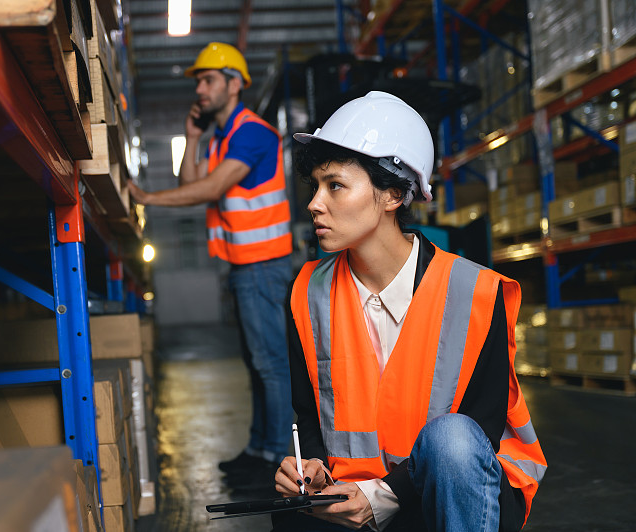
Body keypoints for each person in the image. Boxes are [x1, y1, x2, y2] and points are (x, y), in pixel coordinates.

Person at [272, 91, 547, 531]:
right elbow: (309, 413)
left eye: (335, 186)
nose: (314, 204)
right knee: (290, 520)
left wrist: (381, 495)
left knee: (451, 440)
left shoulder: (477, 292)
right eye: (315, 186)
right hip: (352, 494)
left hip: (453, 493)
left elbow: (480, 429)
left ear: (393, 195)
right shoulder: (308, 292)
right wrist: (311, 467)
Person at [127, 42, 295, 487]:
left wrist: (145, 197)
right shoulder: (221, 137)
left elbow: (207, 190)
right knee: (256, 362)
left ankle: (277, 457)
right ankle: (259, 448)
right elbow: (191, 181)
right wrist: (195, 137)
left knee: (271, 365)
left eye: (207, 80)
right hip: (244, 266)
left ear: (234, 84)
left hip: (263, 265)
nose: (199, 89)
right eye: (198, 82)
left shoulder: (252, 133)